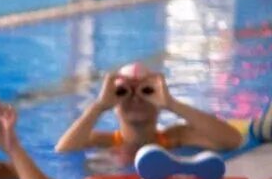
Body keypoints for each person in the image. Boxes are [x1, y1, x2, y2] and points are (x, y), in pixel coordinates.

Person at [55, 62, 244, 154]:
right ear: (114, 105)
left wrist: (172, 104)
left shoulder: (177, 137)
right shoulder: (101, 141)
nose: (136, 99)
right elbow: (63, 153)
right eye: (124, 93)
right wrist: (99, 106)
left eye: (147, 92)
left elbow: (233, 141)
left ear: (159, 102)